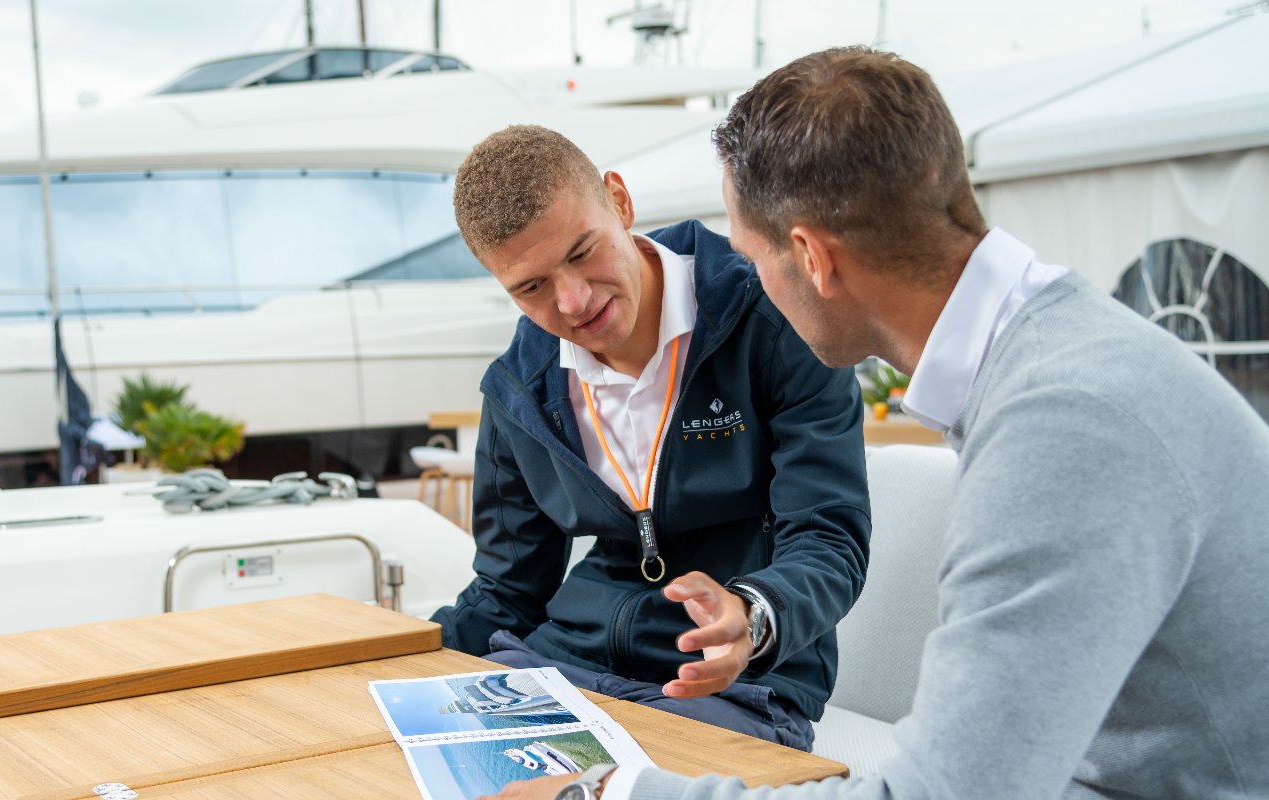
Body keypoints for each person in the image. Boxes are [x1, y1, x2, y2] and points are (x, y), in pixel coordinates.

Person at [484, 47, 1269, 800]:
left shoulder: (1065, 430)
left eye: (749, 256)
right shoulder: (1063, 361)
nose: (739, 280)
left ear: (812, 260)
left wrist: (604, 795)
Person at [430, 124, 872, 751]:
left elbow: (829, 537)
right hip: (563, 667)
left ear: (620, 200)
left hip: (730, 684)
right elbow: (508, 590)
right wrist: (403, 659)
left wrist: (751, 614)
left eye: (583, 252)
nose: (575, 301)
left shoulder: (778, 318)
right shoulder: (517, 388)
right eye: (531, 288)